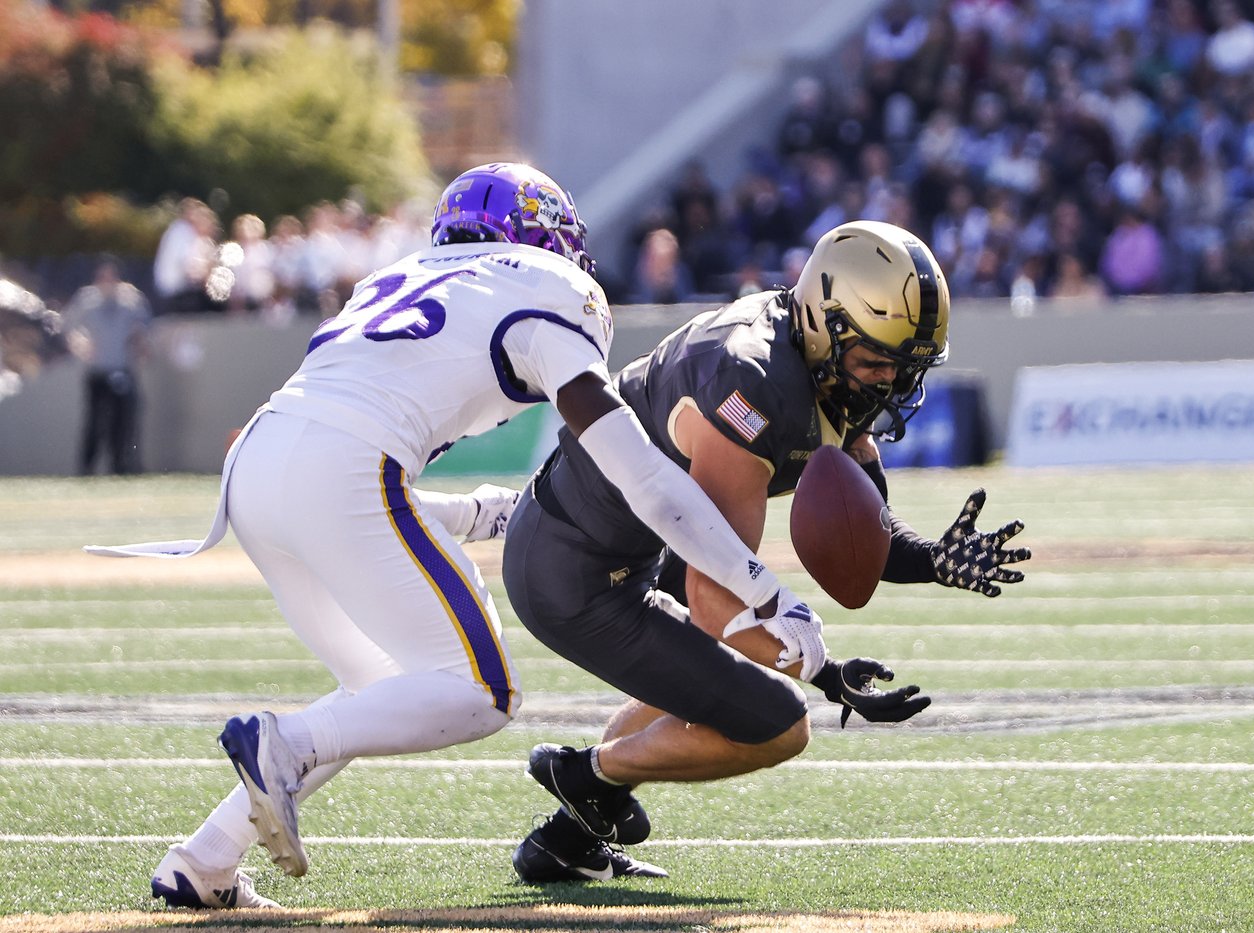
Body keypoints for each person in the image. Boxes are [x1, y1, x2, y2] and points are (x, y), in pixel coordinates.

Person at [85, 162, 824, 909]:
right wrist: (759, 587)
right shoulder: (548, 286)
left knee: (383, 688)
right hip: (345, 467)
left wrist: (489, 512)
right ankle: (285, 744)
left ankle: (205, 859)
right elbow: (644, 477)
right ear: (539, 235)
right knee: (483, 690)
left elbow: (358, 489)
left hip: (259, 464)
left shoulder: (398, 275)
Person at [504, 220, 1031, 883]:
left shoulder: (823, 359)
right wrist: (824, 672)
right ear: (825, 325)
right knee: (778, 723)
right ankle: (582, 773)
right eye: (875, 362)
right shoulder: (755, 384)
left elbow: (868, 533)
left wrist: (931, 560)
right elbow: (713, 590)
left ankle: (567, 835)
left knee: (721, 671)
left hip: (627, 549)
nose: (889, 382)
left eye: (904, 365)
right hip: (571, 567)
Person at [62, 255, 153, 475]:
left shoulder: (131, 301)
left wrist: (140, 343)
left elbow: (143, 329)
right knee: (94, 424)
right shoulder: (86, 300)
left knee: (124, 423)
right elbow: (68, 326)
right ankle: (86, 469)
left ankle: (122, 468)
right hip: (97, 373)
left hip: (123, 369)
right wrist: (79, 343)